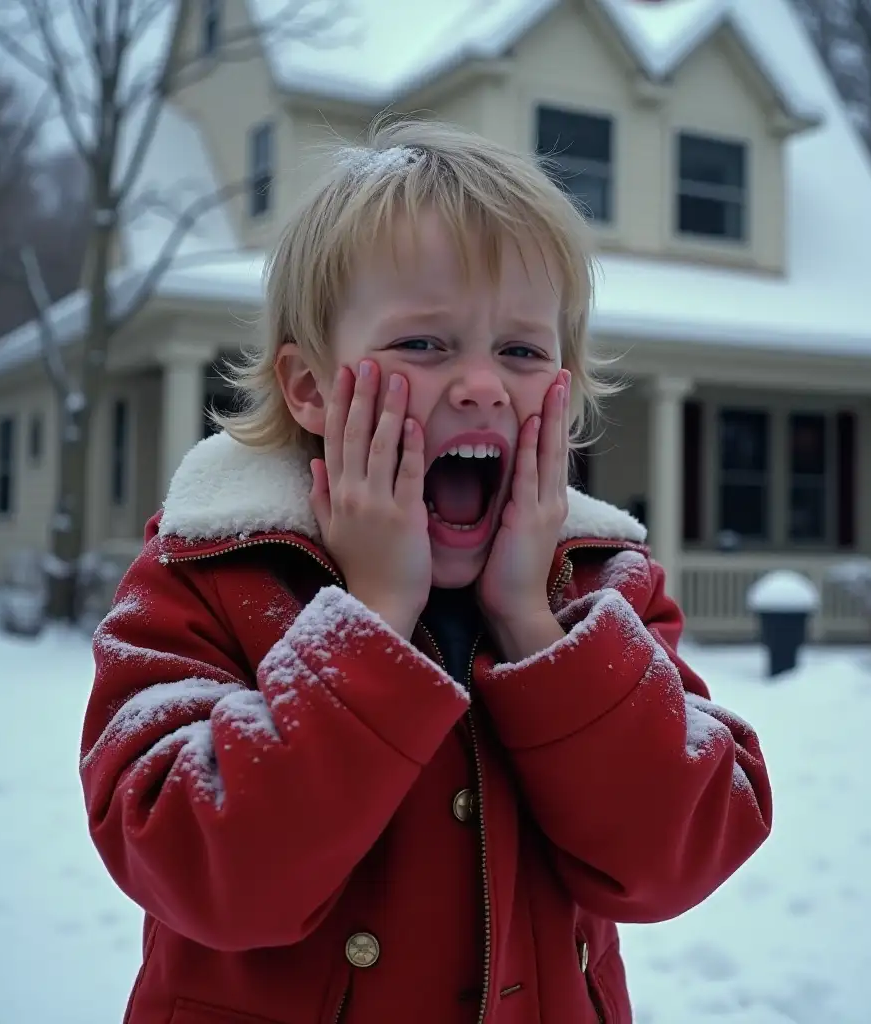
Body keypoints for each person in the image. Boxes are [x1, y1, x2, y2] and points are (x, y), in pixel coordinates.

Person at [82, 119, 772, 1024]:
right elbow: (203, 872)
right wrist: (370, 619)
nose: (483, 385)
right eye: (425, 345)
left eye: (523, 351)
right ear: (311, 387)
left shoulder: (602, 588)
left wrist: (534, 623)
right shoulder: (209, 570)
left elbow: (675, 855)